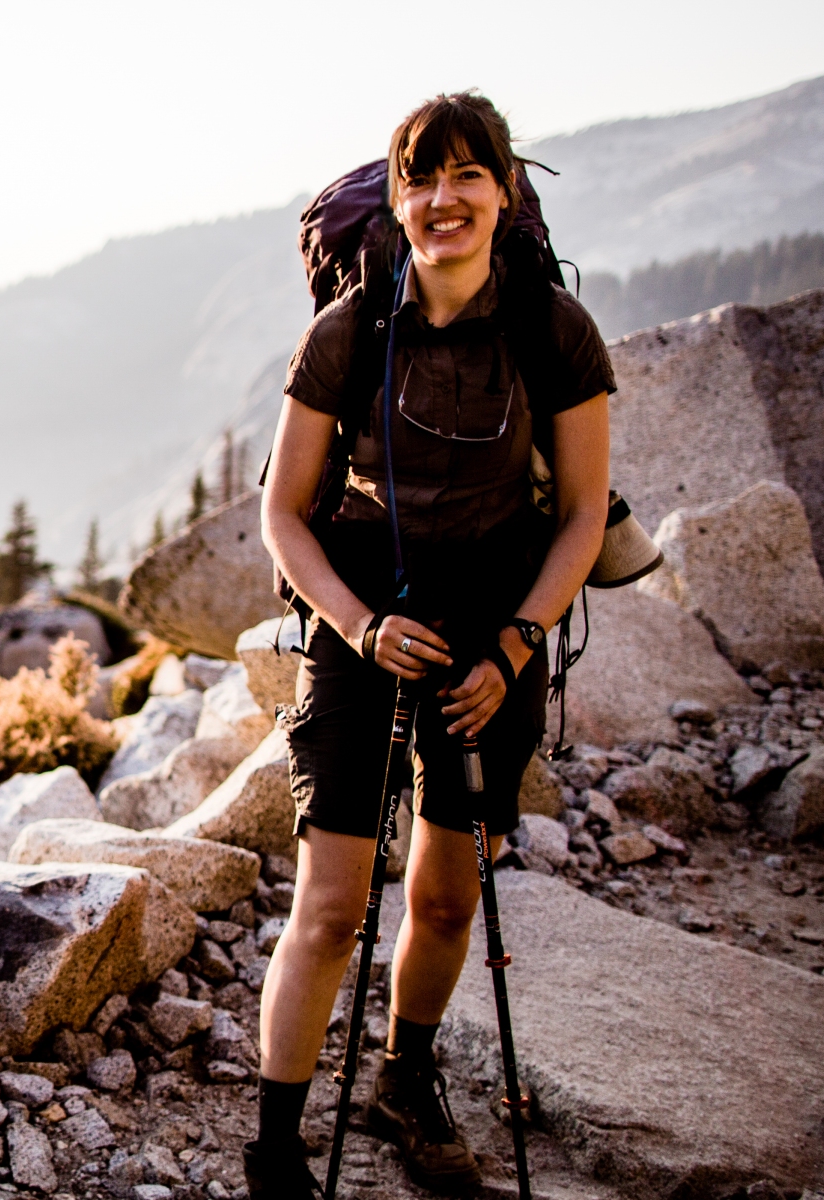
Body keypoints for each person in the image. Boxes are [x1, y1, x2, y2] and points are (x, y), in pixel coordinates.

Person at [248, 92, 614, 1197]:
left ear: (504, 192)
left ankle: (403, 1078)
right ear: (398, 200)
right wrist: (357, 628)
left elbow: (584, 517)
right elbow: (280, 514)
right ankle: (273, 1151)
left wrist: (508, 649)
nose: (442, 198)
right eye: (421, 178)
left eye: (466, 175)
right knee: (329, 905)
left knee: (450, 894)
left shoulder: (553, 332)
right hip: (363, 615)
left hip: (493, 622)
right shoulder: (349, 329)